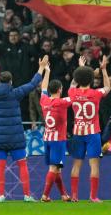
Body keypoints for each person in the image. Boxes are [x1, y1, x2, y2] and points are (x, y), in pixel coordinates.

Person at [0, 55, 47, 202]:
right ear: (11, 81)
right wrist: (41, 67)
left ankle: (0, 196)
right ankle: (26, 195)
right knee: (22, 164)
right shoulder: (15, 93)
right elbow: (33, 84)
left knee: (0, 166)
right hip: (15, 136)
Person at [69, 55, 111, 202]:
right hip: (93, 133)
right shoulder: (95, 94)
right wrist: (104, 70)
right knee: (94, 164)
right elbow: (107, 87)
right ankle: (93, 196)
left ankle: (74, 195)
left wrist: (81, 67)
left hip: (77, 133)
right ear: (92, 80)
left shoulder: (72, 93)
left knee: (76, 164)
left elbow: (73, 83)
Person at [39, 62, 71, 202]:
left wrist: (47, 71)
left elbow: (43, 87)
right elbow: (76, 93)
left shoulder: (43, 100)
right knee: (54, 168)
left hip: (47, 138)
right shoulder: (62, 102)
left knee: (57, 169)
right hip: (58, 140)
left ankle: (64, 195)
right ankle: (45, 195)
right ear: (59, 89)